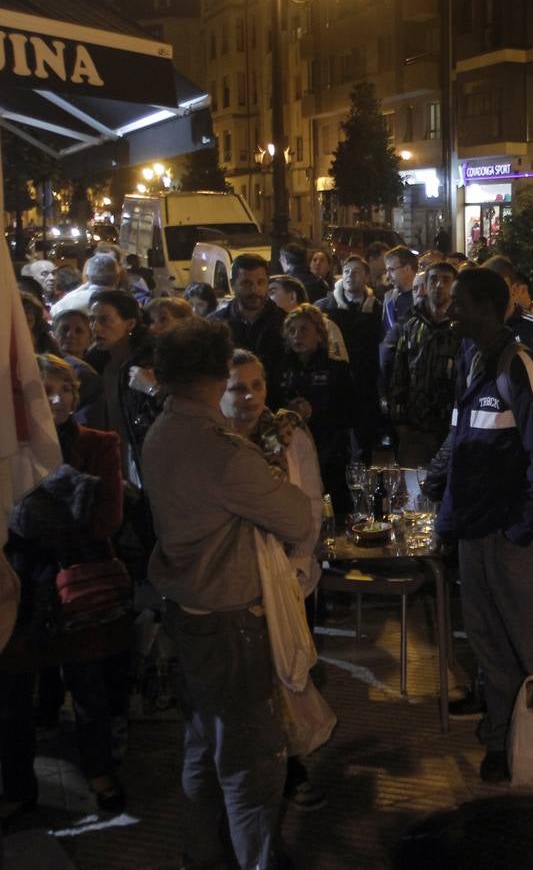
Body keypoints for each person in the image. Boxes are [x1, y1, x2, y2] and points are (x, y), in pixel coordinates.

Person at [142, 319, 313, 869]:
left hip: (187, 614)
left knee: (203, 747)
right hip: (230, 621)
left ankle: (202, 853)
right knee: (253, 764)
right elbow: (297, 518)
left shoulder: (162, 431)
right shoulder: (221, 450)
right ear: (217, 376)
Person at [434, 267, 533, 784]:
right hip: (476, 536)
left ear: (485, 307)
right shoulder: (469, 361)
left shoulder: (520, 367)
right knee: (488, 646)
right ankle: (500, 739)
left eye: (457, 301)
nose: (448, 309)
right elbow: (460, 444)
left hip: (514, 537)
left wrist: (524, 528)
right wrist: (448, 516)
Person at [1, 356, 129, 821]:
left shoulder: (99, 443)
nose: (58, 399)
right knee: (14, 695)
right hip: (21, 584)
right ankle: (16, 785)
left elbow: (105, 519)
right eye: (46, 390)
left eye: (67, 389)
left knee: (89, 688)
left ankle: (98, 771)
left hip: (78, 581)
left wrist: (31, 519)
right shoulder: (8, 450)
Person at [217, 349, 328, 813]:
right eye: (236, 388)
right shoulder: (213, 443)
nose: (248, 397)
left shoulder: (287, 435)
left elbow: (310, 501)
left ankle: (293, 767)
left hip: (289, 574)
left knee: (293, 677)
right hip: (238, 581)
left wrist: (299, 563)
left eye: (256, 386)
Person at [272, 306, 354, 517]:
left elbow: (349, 411)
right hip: (289, 448)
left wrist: (314, 411)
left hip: (329, 450)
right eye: (292, 331)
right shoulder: (278, 370)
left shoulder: (337, 370)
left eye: (304, 330)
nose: (297, 336)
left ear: (319, 334)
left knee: (336, 506)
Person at [387, 262, 462, 468]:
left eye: (446, 280)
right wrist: (400, 421)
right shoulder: (411, 324)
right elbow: (399, 373)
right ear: (425, 285)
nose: (439, 285)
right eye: (433, 280)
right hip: (415, 428)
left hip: (451, 428)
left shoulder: (462, 328)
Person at [86, 290, 162, 487]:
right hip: (111, 460)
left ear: (130, 324)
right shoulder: (94, 361)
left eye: (105, 320)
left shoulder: (150, 363)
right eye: (92, 320)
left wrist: (153, 389)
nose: (95, 327)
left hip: (144, 459)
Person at [315, 256, 383, 458]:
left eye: (355, 272)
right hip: (335, 386)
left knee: (365, 444)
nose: (349, 276)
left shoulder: (377, 309)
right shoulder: (325, 308)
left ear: (367, 277)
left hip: (366, 385)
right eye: (346, 272)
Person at [208, 255, 288, 395]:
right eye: (247, 283)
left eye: (260, 282)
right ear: (233, 284)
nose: (254, 290)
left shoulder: (285, 323)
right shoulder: (214, 325)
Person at [482, 256, 533, 356]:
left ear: (514, 289)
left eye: (499, 287)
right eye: (487, 288)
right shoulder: (478, 327)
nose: (493, 294)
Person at [50, 252, 120, 317]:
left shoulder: (70, 301)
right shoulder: (125, 303)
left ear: (87, 276)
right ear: (118, 277)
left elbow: (54, 312)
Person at [381, 247, 419, 334]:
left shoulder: (423, 297)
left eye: (391, 270)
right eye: (387, 271)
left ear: (407, 269)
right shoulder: (389, 298)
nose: (387, 276)